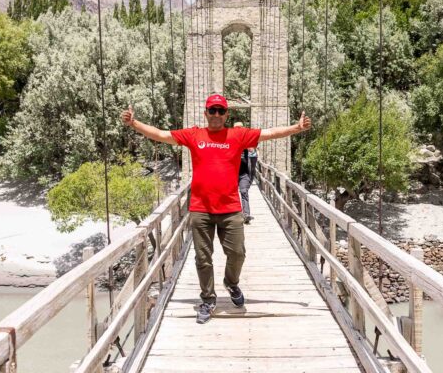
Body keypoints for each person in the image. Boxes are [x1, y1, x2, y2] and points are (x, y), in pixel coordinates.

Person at [121, 94, 311, 324]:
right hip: (201, 209)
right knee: (203, 258)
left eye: (221, 111)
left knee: (238, 253)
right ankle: (208, 299)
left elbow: (269, 133)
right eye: (213, 110)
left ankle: (231, 283)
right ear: (206, 113)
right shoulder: (194, 135)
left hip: (230, 209)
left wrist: (297, 128)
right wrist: (134, 124)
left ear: (227, 114)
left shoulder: (237, 135)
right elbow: (161, 135)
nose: (217, 115)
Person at [233, 122, 253, 224]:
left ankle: (246, 214)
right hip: (232, 173)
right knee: (232, 194)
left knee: (244, 192)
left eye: (240, 128)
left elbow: (251, 150)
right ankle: (234, 214)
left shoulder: (246, 140)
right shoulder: (230, 140)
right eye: (237, 128)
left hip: (243, 173)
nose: (239, 130)